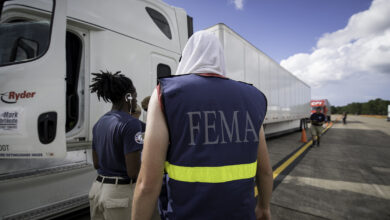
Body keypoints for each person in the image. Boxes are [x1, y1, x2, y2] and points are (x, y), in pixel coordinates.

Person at [132, 31, 273, 220]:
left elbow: (147, 184)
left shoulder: (167, 94)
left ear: (188, 56)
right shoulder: (253, 97)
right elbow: (264, 170)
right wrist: (264, 207)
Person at [88, 71, 143, 220]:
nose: (136, 101)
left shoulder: (100, 122)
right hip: (119, 195)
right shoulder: (131, 124)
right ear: (128, 97)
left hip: (97, 189)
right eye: (135, 96)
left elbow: (96, 163)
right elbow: (133, 172)